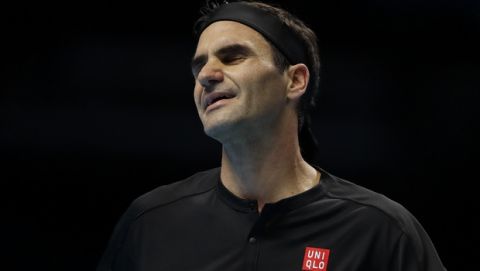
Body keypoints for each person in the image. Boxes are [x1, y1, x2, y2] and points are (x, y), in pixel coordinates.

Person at [97, 1, 446, 270]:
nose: (206, 75)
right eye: (198, 65)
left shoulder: (380, 230)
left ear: (294, 80)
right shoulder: (150, 223)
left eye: (233, 57)